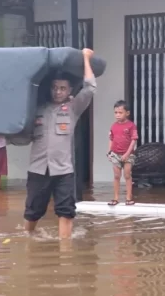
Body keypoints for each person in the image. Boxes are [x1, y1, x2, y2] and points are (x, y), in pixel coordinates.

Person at [24, 48, 96, 239]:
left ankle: (65, 251)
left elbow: (90, 88)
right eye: (55, 87)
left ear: (70, 90)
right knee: (33, 210)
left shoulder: (73, 108)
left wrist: (86, 59)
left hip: (63, 170)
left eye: (63, 88)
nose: (58, 92)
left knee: (66, 210)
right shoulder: (37, 108)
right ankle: (27, 237)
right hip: (38, 169)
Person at [107, 100, 138, 206]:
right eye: (116, 112)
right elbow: (111, 138)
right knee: (116, 175)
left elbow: (133, 140)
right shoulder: (113, 126)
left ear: (127, 113)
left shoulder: (131, 126)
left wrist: (127, 154)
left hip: (128, 155)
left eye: (120, 112)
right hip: (115, 153)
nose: (118, 115)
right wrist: (109, 152)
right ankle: (115, 198)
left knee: (127, 175)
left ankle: (129, 198)